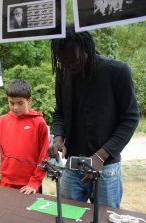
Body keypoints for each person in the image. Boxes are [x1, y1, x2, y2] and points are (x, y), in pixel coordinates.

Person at [48, 24, 139, 208]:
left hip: (105, 167)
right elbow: (60, 112)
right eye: (63, 62)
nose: (69, 67)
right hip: (73, 165)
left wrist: (101, 156)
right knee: (68, 222)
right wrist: (58, 138)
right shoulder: (63, 74)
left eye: (75, 61)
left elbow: (130, 118)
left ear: (87, 49)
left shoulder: (117, 71)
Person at [0, 79, 49, 194]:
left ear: (29, 101)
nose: (15, 107)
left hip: (29, 186)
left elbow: (44, 156)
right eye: (11, 103)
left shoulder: (39, 122)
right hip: (5, 182)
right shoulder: (1, 121)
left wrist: (34, 183)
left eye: (20, 103)